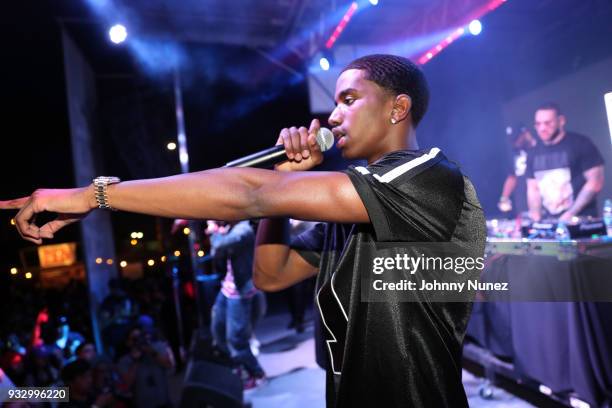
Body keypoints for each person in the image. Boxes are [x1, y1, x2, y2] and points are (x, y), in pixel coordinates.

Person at [1, 54, 486, 407]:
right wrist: (284, 179)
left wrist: (94, 195)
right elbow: (271, 274)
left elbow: (249, 194)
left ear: (397, 108)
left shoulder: (426, 176)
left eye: (349, 99)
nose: (333, 115)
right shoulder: (356, 209)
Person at [207, 220, 267, 389]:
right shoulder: (230, 228)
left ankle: (257, 373)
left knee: (236, 338)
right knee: (217, 332)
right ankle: (239, 367)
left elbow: (218, 245)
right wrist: (219, 233)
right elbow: (215, 253)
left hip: (241, 293)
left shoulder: (243, 229)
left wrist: (214, 231)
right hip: (227, 288)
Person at [527, 103, 605, 222]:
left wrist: (570, 213)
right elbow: (533, 189)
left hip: (581, 220)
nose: (542, 128)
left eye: (548, 123)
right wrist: (536, 217)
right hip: (551, 222)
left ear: (561, 121)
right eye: (538, 124)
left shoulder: (581, 143)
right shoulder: (533, 152)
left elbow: (595, 182)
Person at [498, 125, 537, 215]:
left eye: (517, 138)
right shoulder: (515, 153)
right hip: (523, 204)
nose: (514, 142)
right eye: (512, 139)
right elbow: (512, 177)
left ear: (526, 133)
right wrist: (504, 198)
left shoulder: (540, 149)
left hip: (541, 202)